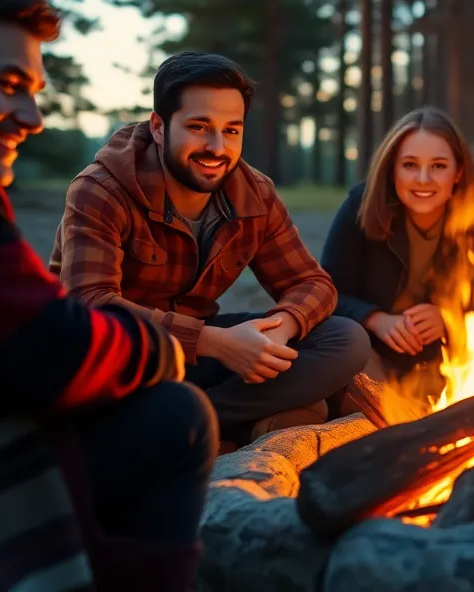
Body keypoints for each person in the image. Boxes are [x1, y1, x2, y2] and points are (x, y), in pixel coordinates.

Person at [0, 0, 216, 591]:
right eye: (10, 84)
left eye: (34, 89)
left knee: (333, 344)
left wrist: (292, 318)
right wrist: (164, 346)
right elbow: (55, 346)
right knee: (175, 415)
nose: (33, 116)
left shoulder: (248, 192)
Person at [50, 51, 370, 449]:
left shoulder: (254, 193)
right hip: (114, 358)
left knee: (344, 339)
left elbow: (312, 283)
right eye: (199, 127)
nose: (217, 147)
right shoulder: (102, 189)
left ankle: (190, 421)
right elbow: (88, 306)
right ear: (159, 127)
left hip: (195, 363)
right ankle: (229, 425)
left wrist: (277, 332)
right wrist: (218, 343)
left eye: (231, 130)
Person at [321, 107, 474, 386]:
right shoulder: (361, 207)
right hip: (373, 353)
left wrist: (448, 316)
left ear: (458, 172)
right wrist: (375, 319)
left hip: (451, 358)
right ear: (392, 169)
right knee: (348, 352)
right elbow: (327, 291)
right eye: (410, 165)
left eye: (439, 166)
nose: (423, 179)